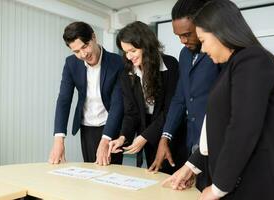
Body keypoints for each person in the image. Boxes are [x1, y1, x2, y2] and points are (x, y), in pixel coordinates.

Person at [163, 1, 274, 200]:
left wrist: (218, 188)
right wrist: (192, 165)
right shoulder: (230, 67)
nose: (203, 49)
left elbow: (242, 126)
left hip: (256, 183)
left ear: (221, 32)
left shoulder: (252, 60)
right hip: (236, 180)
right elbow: (215, 124)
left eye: (204, 40)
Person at [149, 0, 219, 180]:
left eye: (187, 34)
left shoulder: (219, 52)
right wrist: (165, 137)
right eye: (178, 35)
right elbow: (180, 98)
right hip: (191, 143)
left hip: (216, 143)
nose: (183, 41)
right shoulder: (184, 54)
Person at [108, 21, 182, 170]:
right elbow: (131, 113)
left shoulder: (170, 64)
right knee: (154, 175)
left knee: (172, 175)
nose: (129, 57)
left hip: (170, 131)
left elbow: (170, 109)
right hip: (146, 127)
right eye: (125, 52)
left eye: (133, 51)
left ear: (147, 46)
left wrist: (144, 137)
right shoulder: (126, 73)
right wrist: (123, 137)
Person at [48, 21, 124, 166]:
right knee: (91, 170)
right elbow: (64, 100)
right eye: (76, 51)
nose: (83, 54)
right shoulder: (71, 63)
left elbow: (117, 103)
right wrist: (59, 139)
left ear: (94, 37)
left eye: (85, 46)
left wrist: (106, 139)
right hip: (87, 126)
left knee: (111, 171)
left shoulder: (117, 62)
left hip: (111, 125)